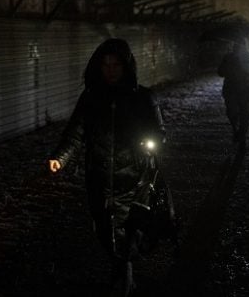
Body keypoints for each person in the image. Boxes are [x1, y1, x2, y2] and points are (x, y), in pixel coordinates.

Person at [47, 38, 167, 296]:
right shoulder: (91, 98)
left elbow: (159, 132)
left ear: (126, 66)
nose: (110, 69)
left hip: (133, 180)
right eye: (106, 65)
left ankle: (124, 279)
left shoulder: (143, 98)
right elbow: (75, 133)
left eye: (116, 64)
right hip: (99, 180)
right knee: (105, 231)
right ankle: (121, 268)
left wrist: (150, 144)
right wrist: (61, 157)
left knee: (125, 235)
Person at [217, 37, 249, 147]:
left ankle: (241, 135)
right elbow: (220, 72)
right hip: (237, 91)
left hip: (242, 90)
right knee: (237, 114)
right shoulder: (230, 58)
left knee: (242, 114)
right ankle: (238, 132)